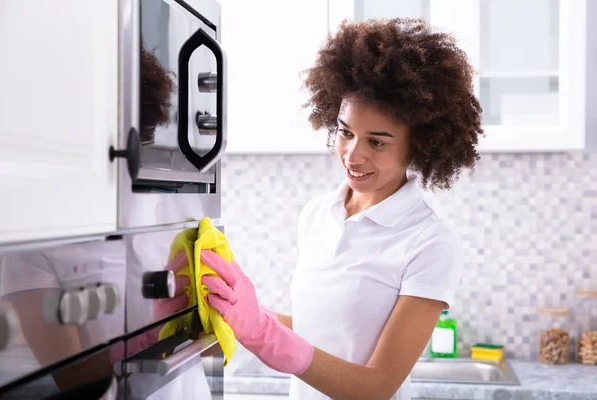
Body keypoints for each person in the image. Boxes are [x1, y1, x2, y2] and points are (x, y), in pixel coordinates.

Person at [199, 17, 483, 400]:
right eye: (345, 132)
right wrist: (247, 315)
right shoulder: (317, 213)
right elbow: (323, 332)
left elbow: (378, 385)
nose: (353, 154)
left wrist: (264, 335)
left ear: (419, 144)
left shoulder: (429, 240)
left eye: (377, 142)